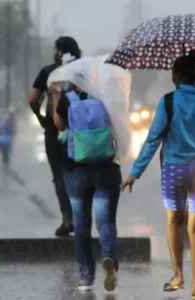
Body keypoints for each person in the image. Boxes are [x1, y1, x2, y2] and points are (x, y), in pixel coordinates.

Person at [121, 50, 195, 299]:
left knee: (175, 221)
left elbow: (153, 139)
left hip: (173, 170)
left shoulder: (167, 101)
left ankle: (178, 275)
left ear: (177, 75)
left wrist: (135, 172)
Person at [53, 81, 121, 292]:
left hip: (76, 170)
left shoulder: (68, 99)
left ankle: (86, 274)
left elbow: (59, 125)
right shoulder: (104, 98)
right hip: (105, 168)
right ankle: (108, 255)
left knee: (81, 221)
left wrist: (56, 94)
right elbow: (118, 126)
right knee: (105, 219)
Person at [28, 36, 81, 237]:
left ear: (59, 52)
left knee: (60, 176)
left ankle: (68, 218)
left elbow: (33, 99)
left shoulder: (49, 72)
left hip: (55, 131)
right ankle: (82, 217)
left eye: (55, 49)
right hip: (82, 133)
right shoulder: (84, 71)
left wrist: (41, 118)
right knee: (79, 174)